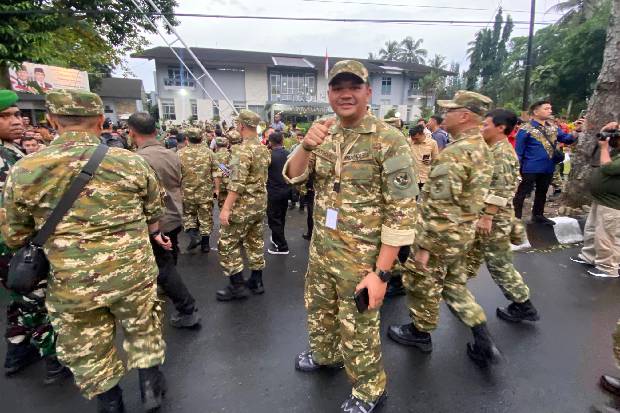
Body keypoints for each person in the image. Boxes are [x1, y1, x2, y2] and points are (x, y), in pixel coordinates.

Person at [1, 89, 168, 411]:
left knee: (86, 344)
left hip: (71, 281)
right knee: (143, 326)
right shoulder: (130, 163)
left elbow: (14, 234)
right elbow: (154, 211)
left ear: (51, 120)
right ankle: (151, 388)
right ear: (101, 122)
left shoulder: (25, 169)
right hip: (132, 272)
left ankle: (110, 401)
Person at [284, 60, 418, 413]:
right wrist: (305, 146)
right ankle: (326, 356)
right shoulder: (325, 133)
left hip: (362, 258)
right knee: (319, 310)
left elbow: (402, 212)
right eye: (337, 87)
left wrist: (382, 273)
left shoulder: (389, 140)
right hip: (323, 248)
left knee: (358, 325)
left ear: (368, 92)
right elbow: (294, 178)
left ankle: (371, 389)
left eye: (354, 87)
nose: (345, 93)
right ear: (328, 94)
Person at [388, 91, 500, 367]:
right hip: (462, 234)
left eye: (450, 110)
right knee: (454, 286)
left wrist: (424, 246)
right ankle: (482, 336)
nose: (443, 115)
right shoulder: (482, 148)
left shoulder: (456, 153)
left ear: (464, 116)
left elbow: (440, 207)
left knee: (422, 284)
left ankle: (419, 332)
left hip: (439, 238)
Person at [0, 90, 70, 384]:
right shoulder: (5, 158)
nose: (17, 120)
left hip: (14, 244)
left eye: (17, 114)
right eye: (7, 116)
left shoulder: (12, 151)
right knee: (40, 300)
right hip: (16, 243)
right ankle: (54, 359)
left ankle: (17, 351)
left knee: (20, 299)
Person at [465, 109, 540, 323]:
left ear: (501, 128)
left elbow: (503, 189)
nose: (482, 128)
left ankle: (523, 304)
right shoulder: (492, 149)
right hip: (483, 218)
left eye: (486, 125)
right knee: (469, 257)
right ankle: (457, 292)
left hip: (493, 220)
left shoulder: (503, 154)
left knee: (499, 263)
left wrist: (487, 216)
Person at [130, 112, 201, 328]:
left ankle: (186, 306)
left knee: (162, 263)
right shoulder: (173, 155)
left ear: (132, 133)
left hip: (155, 219)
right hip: (174, 212)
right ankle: (169, 285)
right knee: (170, 253)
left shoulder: (137, 160)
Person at [216, 109, 270, 300]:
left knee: (227, 243)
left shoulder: (242, 149)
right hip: (259, 204)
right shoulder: (263, 148)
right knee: (255, 241)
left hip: (243, 206)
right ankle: (257, 281)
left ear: (241, 126)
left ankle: (237, 286)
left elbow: (237, 182)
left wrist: (226, 208)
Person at [513, 100, 577, 225]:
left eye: (550, 108)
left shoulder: (553, 128)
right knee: (522, 192)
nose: (550, 111)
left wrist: (576, 131)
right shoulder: (525, 129)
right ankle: (516, 217)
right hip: (530, 167)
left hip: (548, 166)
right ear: (536, 112)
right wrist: (517, 168)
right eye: (546, 108)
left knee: (542, 192)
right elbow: (519, 151)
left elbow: (567, 139)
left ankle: (538, 215)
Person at [570, 122, 620, 278]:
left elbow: (608, 168)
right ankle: (589, 256)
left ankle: (607, 267)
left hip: (613, 203)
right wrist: (604, 131)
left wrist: (604, 148)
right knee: (592, 231)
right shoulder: (617, 152)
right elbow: (603, 145)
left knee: (607, 236)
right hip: (601, 199)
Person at [178, 128, 218, 253]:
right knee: (205, 217)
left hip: (187, 192)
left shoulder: (179, 154)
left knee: (189, 215)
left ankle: (193, 236)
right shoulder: (209, 153)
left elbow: (176, 175)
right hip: (205, 192)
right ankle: (205, 245)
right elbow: (216, 173)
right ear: (202, 138)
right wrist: (217, 188)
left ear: (187, 139)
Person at [266, 132, 292, 255]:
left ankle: (282, 246)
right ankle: (277, 239)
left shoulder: (269, 155)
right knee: (281, 216)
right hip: (286, 190)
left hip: (273, 191)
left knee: (274, 218)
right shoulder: (289, 154)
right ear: (282, 141)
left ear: (270, 142)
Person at [408, 124, 439, 191]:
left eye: (416, 139)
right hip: (412, 178)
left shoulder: (432, 143)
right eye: (412, 139)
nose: (414, 141)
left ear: (422, 134)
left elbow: (436, 159)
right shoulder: (408, 142)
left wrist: (430, 161)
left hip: (425, 178)